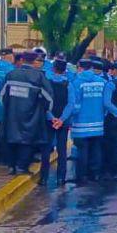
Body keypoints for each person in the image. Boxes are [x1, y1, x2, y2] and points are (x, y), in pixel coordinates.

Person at [0, 51, 53, 174]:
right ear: (34, 61)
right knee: (27, 141)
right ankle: (21, 167)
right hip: (31, 115)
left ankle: (11, 167)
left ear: (22, 60)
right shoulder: (38, 77)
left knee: (11, 139)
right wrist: (45, 111)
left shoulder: (11, 74)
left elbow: (1, 95)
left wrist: (9, 107)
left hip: (12, 114)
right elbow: (49, 98)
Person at [69, 58, 107, 184]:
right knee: (96, 149)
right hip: (98, 123)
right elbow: (106, 103)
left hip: (81, 124)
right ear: (91, 68)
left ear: (80, 68)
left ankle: (82, 176)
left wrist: (70, 117)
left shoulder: (76, 82)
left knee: (82, 151)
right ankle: (95, 174)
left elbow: (75, 105)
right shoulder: (102, 82)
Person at [40, 57, 75, 186]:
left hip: (49, 120)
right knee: (62, 150)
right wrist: (61, 120)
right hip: (63, 121)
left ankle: (43, 178)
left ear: (53, 68)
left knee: (46, 149)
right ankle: (61, 178)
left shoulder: (47, 83)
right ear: (65, 70)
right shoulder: (69, 84)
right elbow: (71, 104)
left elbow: (43, 102)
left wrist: (51, 117)